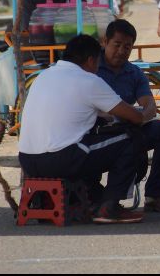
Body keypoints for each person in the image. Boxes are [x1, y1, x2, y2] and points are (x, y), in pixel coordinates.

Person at [18, 34, 150, 224]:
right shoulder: (89, 80)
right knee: (131, 138)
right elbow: (135, 117)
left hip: (28, 160)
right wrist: (144, 114)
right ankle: (109, 207)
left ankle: (94, 198)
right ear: (90, 60)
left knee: (87, 143)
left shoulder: (43, 76)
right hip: (61, 159)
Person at [96, 19, 160, 213]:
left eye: (127, 47)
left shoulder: (134, 73)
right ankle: (106, 197)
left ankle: (156, 195)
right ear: (105, 42)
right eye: (117, 45)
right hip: (97, 129)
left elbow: (149, 105)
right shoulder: (91, 67)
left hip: (128, 125)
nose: (121, 51)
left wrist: (141, 116)